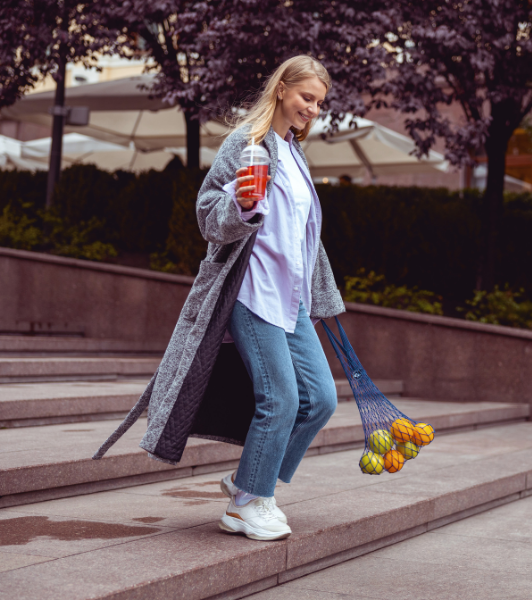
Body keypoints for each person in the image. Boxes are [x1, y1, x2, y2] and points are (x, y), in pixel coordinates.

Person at [92, 56, 346, 542]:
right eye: (306, 98)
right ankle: (247, 504)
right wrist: (244, 205)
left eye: (319, 102)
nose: (312, 109)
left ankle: (251, 479)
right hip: (251, 292)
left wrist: (321, 300)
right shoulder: (245, 144)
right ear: (281, 91)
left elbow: (303, 237)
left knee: (322, 400)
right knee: (283, 398)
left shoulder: (294, 153)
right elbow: (209, 216)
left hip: (290, 299)